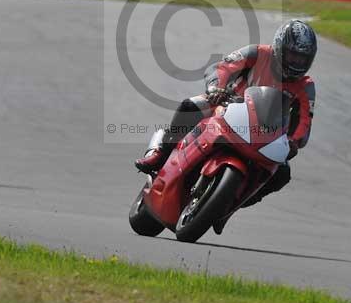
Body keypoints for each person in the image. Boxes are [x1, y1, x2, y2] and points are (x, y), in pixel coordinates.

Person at [135, 19, 317, 233]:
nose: (296, 62)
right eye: (292, 55)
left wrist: (295, 141)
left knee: (282, 172)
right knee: (191, 105)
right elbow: (224, 67)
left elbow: (305, 119)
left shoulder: (306, 86)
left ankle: (230, 206)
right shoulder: (257, 53)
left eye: (302, 58)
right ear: (279, 47)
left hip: (265, 134)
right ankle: (160, 152)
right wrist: (216, 88)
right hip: (227, 106)